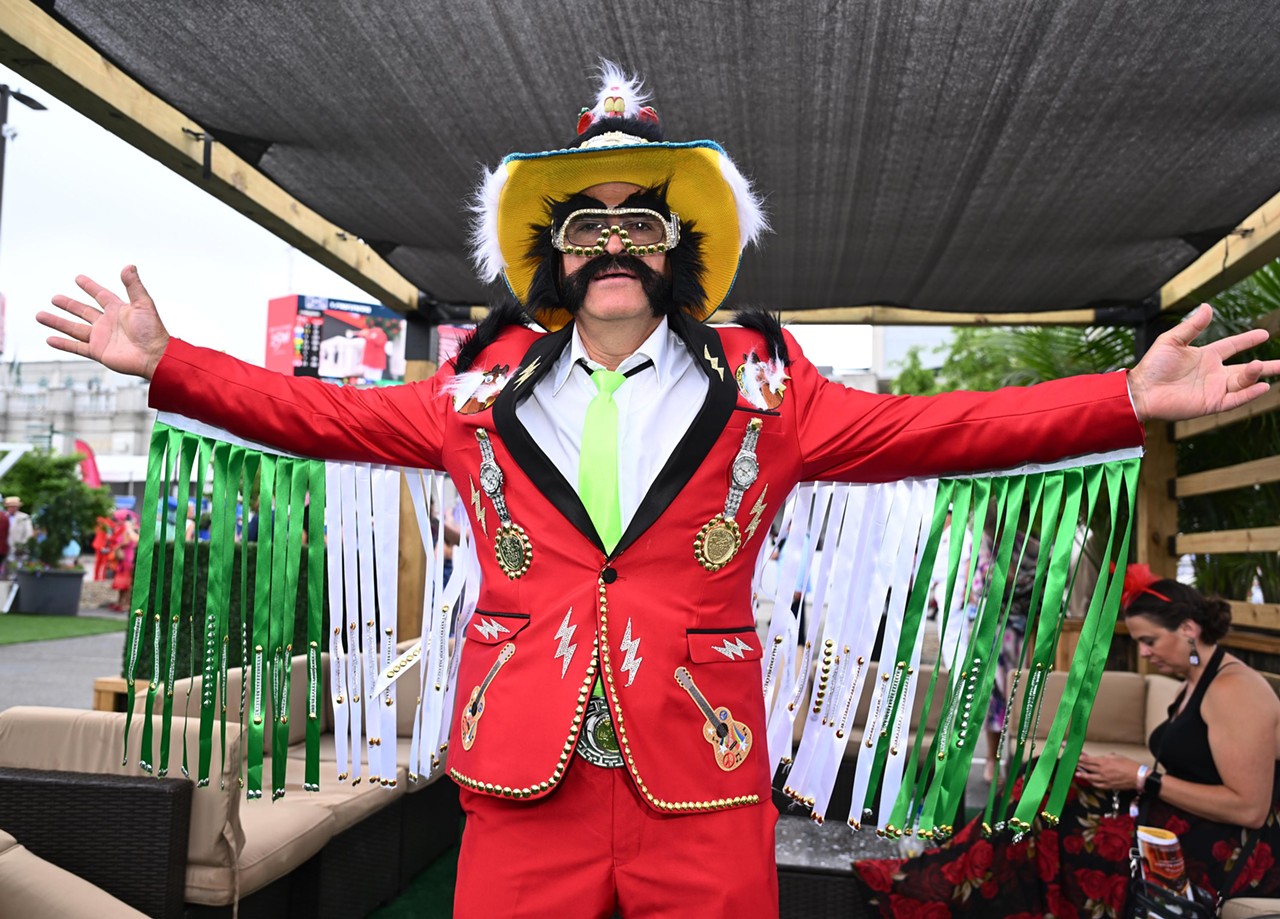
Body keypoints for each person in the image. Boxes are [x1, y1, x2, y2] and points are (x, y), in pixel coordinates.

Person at [39, 62, 1279, 918]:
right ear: (551, 257)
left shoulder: (767, 389)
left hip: (704, 767)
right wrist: (169, 366)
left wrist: (1125, 398)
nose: (613, 245)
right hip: (525, 771)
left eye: (641, 226)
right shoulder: (473, 395)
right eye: (587, 228)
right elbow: (318, 412)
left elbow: (935, 429)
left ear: (678, 254)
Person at [851, 565, 1280, 914]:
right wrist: (1117, 773)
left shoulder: (1235, 690)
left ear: (1188, 629)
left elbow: (1250, 808)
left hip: (1227, 852)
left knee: (1043, 811)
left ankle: (940, 883)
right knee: (1043, 779)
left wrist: (1141, 777)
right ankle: (946, 873)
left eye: (1150, 641)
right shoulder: (1195, 679)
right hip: (1175, 821)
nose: (1144, 653)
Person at [4, 496, 34, 576]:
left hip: (18, 549)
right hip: (5, 548)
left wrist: (22, 545)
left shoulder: (24, 517)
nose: (12, 508)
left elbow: (29, 533)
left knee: (17, 571)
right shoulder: (3, 517)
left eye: (14, 506)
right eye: (10, 506)